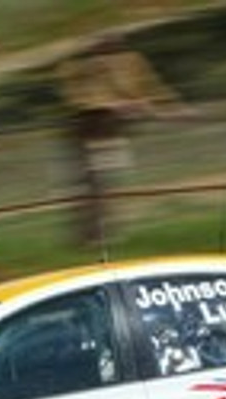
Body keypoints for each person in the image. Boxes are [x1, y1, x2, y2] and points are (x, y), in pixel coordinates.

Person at [57, 33, 190, 246]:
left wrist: (173, 109)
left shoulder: (131, 61)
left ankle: (103, 233)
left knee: (109, 183)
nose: (106, 44)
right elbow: (78, 99)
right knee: (92, 184)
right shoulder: (77, 66)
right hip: (88, 131)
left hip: (113, 130)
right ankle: (90, 236)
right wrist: (116, 104)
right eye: (99, 41)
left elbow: (152, 89)